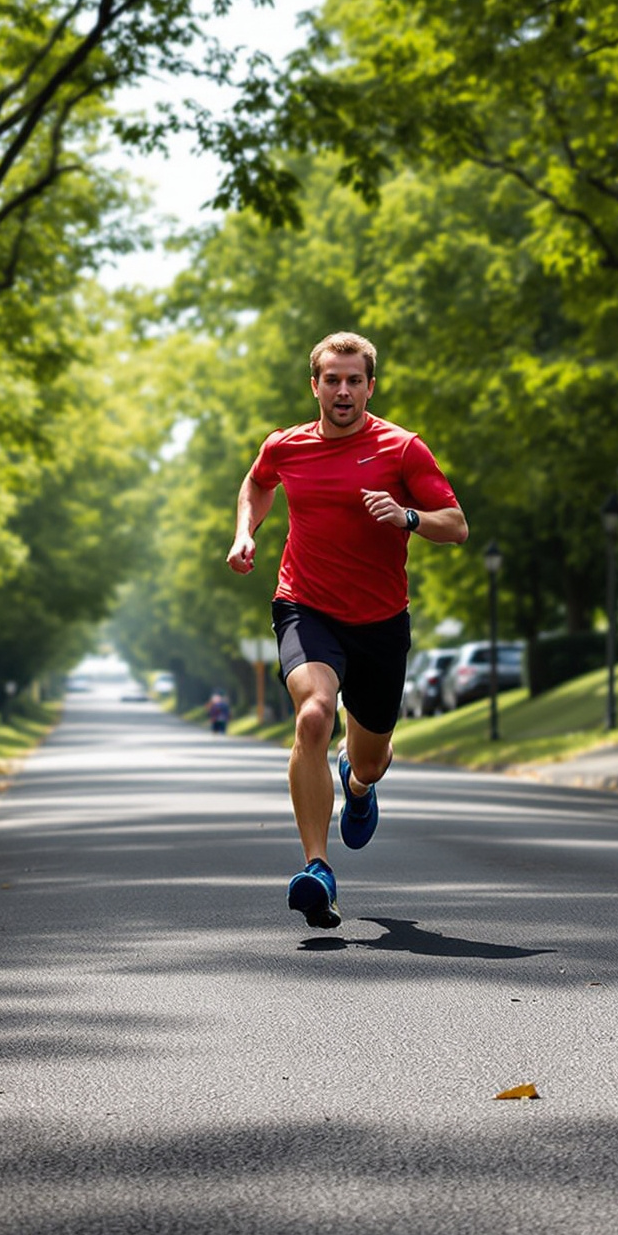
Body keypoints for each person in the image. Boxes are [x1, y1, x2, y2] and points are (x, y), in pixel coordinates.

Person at [226, 332, 470, 928]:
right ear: (315, 385)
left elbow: (456, 524)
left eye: (353, 380)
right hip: (305, 606)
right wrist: (245, 531)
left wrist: (407, 515)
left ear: (370, 386)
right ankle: (317, 869)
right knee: (313, 713)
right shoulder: (286, 447)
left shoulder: (402, 449)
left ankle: (356, 785)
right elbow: (258, 482)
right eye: (331, 379)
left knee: (374, 758)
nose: (342, 390)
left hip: (381, 622)